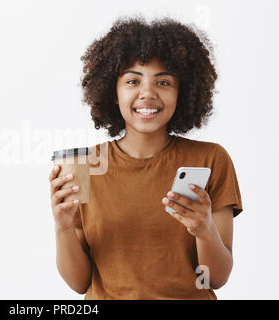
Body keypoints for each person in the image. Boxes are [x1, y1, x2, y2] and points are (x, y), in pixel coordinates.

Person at [48, 15, 243, 300]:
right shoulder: (85, 166)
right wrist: (62, 227)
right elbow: (80, 283)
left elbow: (214, 278)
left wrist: (205, 230)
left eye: (163, 82)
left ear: (183, 91)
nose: (148, 93)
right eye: (132, 81)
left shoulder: (211, 159)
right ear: (113, 91)